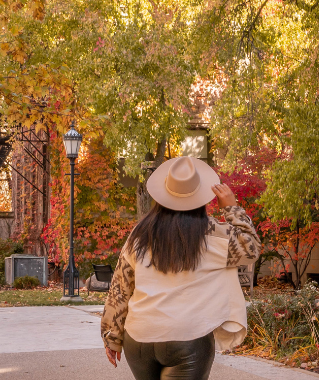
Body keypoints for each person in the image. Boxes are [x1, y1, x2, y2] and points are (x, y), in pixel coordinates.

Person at [101, 156, 261, 380]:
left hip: (138, 338)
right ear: (201, 197)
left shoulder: (140, 234)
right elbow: (251, 249)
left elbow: (121, 286)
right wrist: (232, 208)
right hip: (188, 337)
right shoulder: (214, 235)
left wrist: (112, 336)